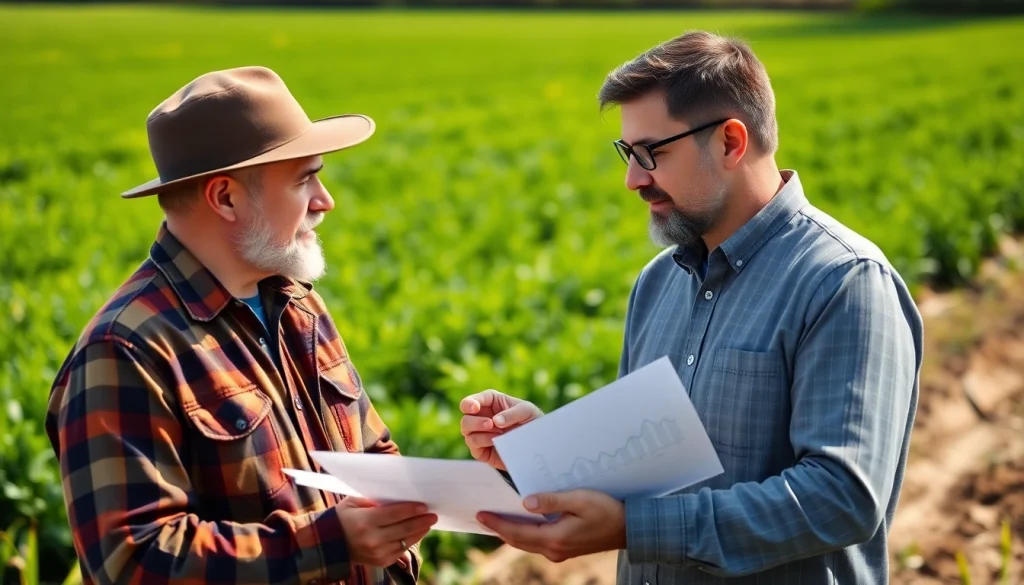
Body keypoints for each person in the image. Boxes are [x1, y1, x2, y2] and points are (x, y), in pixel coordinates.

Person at [459, 31, 923, 584]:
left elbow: (840, 497)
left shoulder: (842, 282)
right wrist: (544, 454)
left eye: (652, 153)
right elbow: (646, 462)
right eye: (627, 154)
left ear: (730, 142)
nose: (633, 179)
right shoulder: (658, 283)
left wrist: (636, 527)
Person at [45, 66, 437, 585]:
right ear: (225, 198)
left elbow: (371, 454)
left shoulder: (295, 302)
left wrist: (460, 480)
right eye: (304, 180)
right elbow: (133, 562)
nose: (325, 200)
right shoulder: (125, 349)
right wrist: (330, 542)